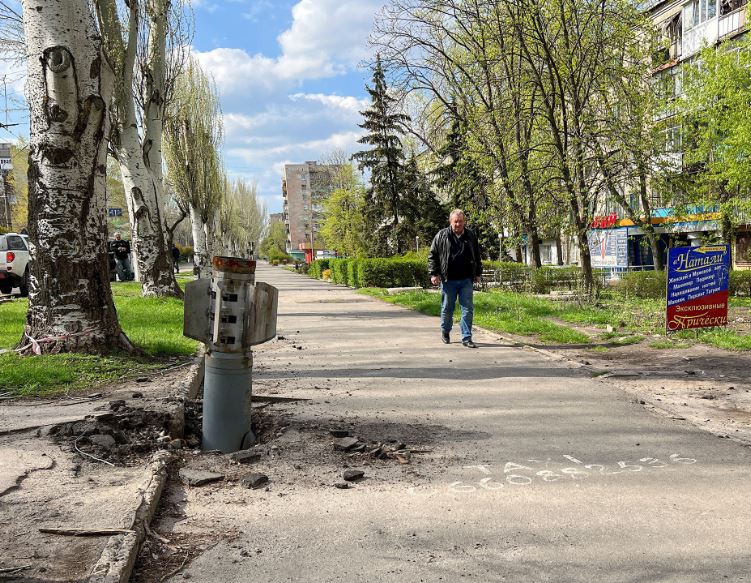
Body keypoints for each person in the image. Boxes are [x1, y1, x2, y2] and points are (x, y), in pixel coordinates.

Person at [428, 209, 482, 348]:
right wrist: (434, 273)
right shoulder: (441, 235)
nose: (458, 224)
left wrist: (477, 273)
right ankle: (445, 331)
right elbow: (433, 256)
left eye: (460, 221)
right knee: (447, 308)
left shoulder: (470, 236)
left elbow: (477, 255)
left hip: (466, 280)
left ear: (464, 221)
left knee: (467, 309)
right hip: (448, 280)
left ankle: (466, 337)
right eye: (455, 221)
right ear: (450, 222)